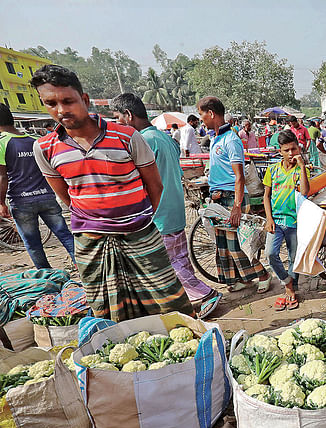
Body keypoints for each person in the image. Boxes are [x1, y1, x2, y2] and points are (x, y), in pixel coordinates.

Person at [30, 65, 193, 321]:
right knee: (108, 309)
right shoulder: (44, 148)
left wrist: (137, 219)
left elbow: (155, 186)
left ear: (83, 100)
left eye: (67, 101)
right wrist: (97, 220)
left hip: (139, 234)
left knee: (170, 304)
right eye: (51, 103)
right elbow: (68, 197)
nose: (61, 110)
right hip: (92, 241)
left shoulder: (126, 136)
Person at [110, 93, 221, 318]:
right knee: (180, 260)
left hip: (157, 213)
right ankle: (192, 300)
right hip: (173, 210)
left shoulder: (143, 140)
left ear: (128, 116)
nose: (116, 124)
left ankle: (205, 294)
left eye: (117, 118)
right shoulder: (163, 138)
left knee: (170, 265)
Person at [197, 96, 271, 293]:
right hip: (219, 197)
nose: (201, 119)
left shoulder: (231, 140)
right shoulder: (215, 139)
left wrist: (237, 206)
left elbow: (239, 176)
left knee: (238, 244)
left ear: (211, 113)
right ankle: (242, 279)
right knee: (223, 245)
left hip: (233, 196)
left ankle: (263, 274)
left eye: (201, 114)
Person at [0, 103, 75, 269]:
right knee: (64, 234)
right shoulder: (36, 139)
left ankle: (47, 277)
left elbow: (2, 176)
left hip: (21, 202)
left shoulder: (2, 143)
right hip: (47, 197)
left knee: (33, 243)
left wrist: (1, 203)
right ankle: (84, 267)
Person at [263, 130, 310, 311]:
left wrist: (303, 166)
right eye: (286, 150)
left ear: (298, 148)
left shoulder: (300, 170)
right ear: (280, 151)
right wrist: (269, 218)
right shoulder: (272, 170)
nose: (291, 153)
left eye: (294, 149)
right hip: (276, 219)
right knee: (270, 254)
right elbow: (266, 197)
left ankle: (291, 291)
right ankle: (287, 281)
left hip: (296, 221)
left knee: (293, 257)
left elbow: (305, 192)